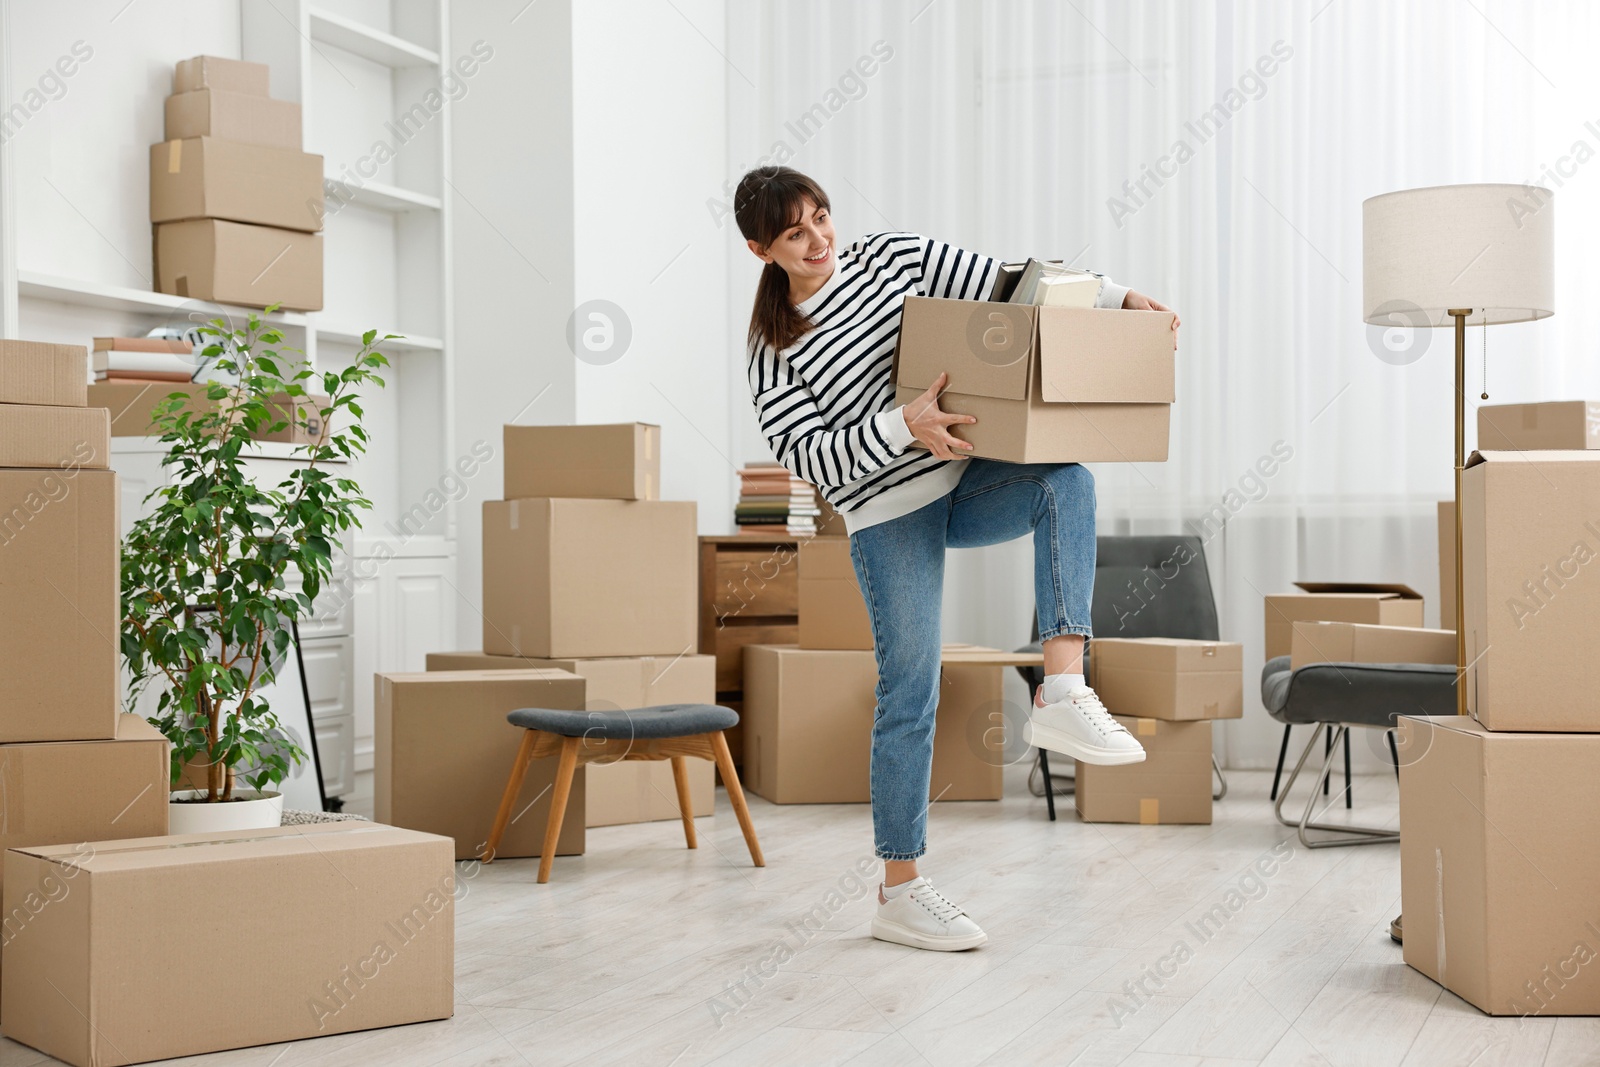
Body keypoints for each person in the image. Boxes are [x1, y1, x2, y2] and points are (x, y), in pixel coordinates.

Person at [735, 166, 1179, 952]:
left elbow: (1010, 284)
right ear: (760, 248)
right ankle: (898, 890)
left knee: (1065, 482)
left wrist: (1118, 298)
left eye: (823, 217)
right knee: (910, 690)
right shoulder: (772, 348)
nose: (819, 241)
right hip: (885, 514)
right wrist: (904, 427)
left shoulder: (893, 258)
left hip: (964, 481)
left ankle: (1063, 690)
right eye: (796, 233)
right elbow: (817, 460)